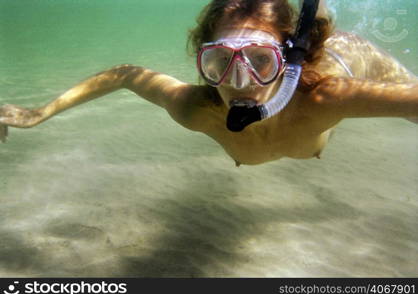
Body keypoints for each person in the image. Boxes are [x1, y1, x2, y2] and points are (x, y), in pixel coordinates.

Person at [0, 0, 417, 167]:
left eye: (260, 60)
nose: (239, 81)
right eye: (220, 61)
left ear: (288, 60)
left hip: (349, 56)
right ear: (203, 61)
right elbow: (126, 74)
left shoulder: (325, 97)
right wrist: (40, 113)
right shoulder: (196, 108)